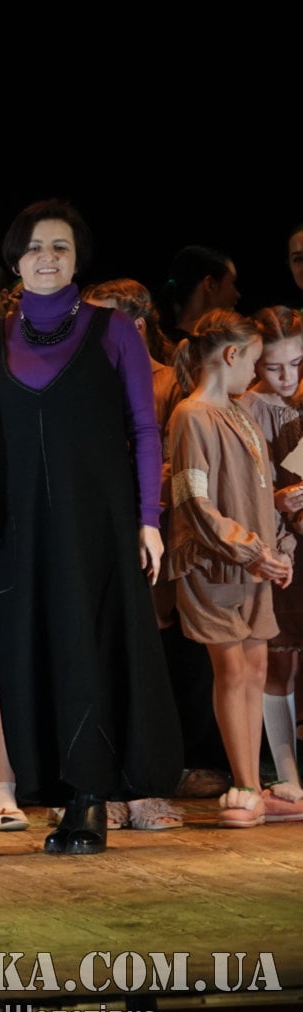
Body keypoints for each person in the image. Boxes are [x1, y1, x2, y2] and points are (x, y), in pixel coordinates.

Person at [0, 200, 181, 854]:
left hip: (98, 523)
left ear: (78, 258)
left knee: (92, 646)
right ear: (15, 258)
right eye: (34, 246)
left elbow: (145, 429)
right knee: (34, 650)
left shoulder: (113, 329)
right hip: (21, 526)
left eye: (60, 247)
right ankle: (58, 789)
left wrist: (149, 520)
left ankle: (91, 796)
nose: (46, 258)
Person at [166, 310, 293, 827]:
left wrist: (276, 549)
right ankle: (243, 783)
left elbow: (256, 493)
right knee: (232, 670)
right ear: (231, 354)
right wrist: (248, 548)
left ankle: (254, 785)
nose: (256, 373)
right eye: (255, 361)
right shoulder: (192, 415)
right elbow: (192, 498)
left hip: (254, 565)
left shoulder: (240, 412)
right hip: (215, 565)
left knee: (256, 670)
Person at [239, 306, 303, 822]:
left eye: (297, 365)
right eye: (275, 367)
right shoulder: (245, 408)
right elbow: (240, 489)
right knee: (277, 659)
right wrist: (278, 502)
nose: (287, 378)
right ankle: (286, 773)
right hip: (275, 546)